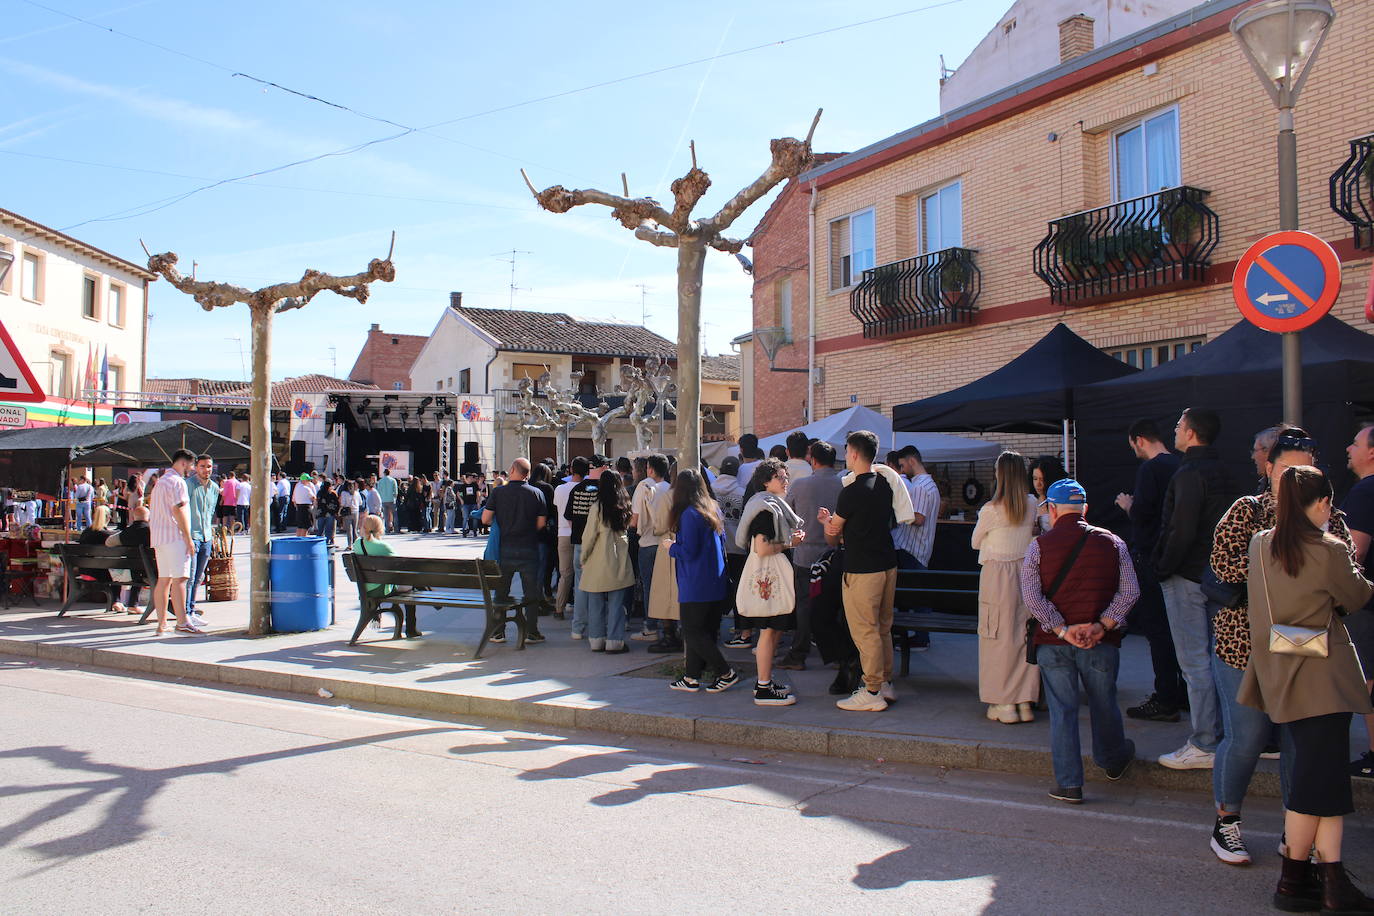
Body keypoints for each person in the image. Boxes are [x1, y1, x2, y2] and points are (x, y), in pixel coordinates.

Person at [1205, 428, 1350, 865]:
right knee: (1246, 738)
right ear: (1269, 468)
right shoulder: (1247, 513)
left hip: (1306, 647)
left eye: (1305, 471)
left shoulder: (1331, 518)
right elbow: (1225, 569)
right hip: (1244, 645)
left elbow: (1347, 580)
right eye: (1287, 469)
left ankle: (1296, 831)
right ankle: (1226, 822)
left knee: (1297, 742)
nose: (1295, 479)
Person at [1241, 465, 1374, 913]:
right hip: (1325, 677)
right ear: (1319, 505)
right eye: (1328, 504)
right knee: (1320, 784)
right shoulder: (1330, 548)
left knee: (1318, 780)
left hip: (1282, 670)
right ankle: (1301, 880)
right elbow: (1356, 597)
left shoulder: (1262, 544)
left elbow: (1263, 616)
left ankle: (1312, 878)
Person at [1021, 478, 1138, 804]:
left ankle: (1069, 783)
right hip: (1100, 643)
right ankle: (1112, 760)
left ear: (1053, 510)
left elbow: (1031, 597)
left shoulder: (1039, 546)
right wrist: (1101, 626)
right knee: (1104, 703)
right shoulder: (1113, 542)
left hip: (1054, 644)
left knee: (1062, 710)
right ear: (1085, 509)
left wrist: (1061, 629)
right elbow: (1130, 591)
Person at [1153, 407, 1235, 770]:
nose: (1174, 429)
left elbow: (1180, 530)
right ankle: (1223, 735)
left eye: (1178, 424)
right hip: (1218, 578)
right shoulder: (1224, 471)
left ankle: (1205, 741)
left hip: (1187, 577)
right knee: (1219, 659)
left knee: (1194, 662)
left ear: (1190, 433)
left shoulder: (1189, 473)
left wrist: (1161, 567)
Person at [822, 430, 912, 712]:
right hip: (887, 564)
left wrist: (826, 522)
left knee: (865, 631)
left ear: (855, 453)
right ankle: (884, 683)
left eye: (847, 450)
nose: (845, 456)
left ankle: (871, 688)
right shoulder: (884, 484)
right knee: (883, 627)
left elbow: (832, 536)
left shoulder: (851, 492)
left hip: (862, 569)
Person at [1115, 419, 1186, 723]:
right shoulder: (1182, 465)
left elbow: (1143, 514)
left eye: (1133, 446)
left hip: (1151, 558)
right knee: (1181, 632)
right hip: (1179, 558)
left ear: (1139, 440)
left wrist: (1128, 505)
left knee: (1157, 631)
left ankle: (1166, 697)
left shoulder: (1150, 470)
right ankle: (1182, 693)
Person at [971, 451, 1041, 723]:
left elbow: (975, 542)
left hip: (996, 575)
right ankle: (1024, 700)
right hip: (1025, 573)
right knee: (1023, 636)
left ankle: (1003, 702)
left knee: (995, 636)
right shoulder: (1032, 504)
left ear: (1000, 474)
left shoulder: (991, 510)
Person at [737, 458, 805, 706]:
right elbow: (762, 547)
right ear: (766, 481)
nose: (785, 481)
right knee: (768, 630)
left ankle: (766, 681)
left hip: (771, 575)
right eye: (780, 477)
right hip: (768, 576)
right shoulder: (765, 508)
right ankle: (763, 686)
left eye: (786, 476)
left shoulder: (771, 505)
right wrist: (791, 543)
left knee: (773, 629)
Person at [667, 469, 737, 692]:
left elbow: (688, 551)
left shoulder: (689, 514)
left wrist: (671, 547)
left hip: (695, 583)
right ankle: (691, 677)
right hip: (714, 580)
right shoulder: (711, 508)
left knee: (692, 631)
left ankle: (725, 672)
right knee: (704, 631)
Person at [779, 440, 844, 670]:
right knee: (835, 606)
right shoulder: (843, 485)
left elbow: (787, 516)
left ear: (812, 459)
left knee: (804, 607)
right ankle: (838, 654)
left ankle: (798, 655)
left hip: (805, 555)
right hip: (834, 556)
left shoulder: (799, 485)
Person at [482, 458, 549, 644]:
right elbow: (541, 523)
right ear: (528, 473)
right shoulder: (537, 493)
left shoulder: (499, 492)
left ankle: (498, 631)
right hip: (529, 547)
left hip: (506, 548)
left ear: (512, 470)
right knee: (531, 592)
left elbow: (485, 519)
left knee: (502, 592)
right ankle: (532, 632)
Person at [1342, 425, 1374, 780]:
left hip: (1365, 602)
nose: (1349, 447)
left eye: (1355, 442)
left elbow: (1355, 550)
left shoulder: (1365, 491)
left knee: (1367, 679)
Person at [577, 469, 635, 653]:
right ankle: (615, 641)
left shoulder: (598, 507)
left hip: (599, 558)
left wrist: (583, 557)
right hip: (620, 558)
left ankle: (596, 639)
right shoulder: (625, 504)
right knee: (617, 604)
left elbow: (589, 536)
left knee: (595, 601)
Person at [149, 449, 202, 635]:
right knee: (180, 579)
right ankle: (182, 621)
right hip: (174, 536)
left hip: (159, 537)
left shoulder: (160, 482)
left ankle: (162, 623)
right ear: (184, 463)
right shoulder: (177, 482)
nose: (193, 469)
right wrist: (188, 538)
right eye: (192, 465)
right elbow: (179, 510)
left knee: (164, 580)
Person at [565, 455, 609, 640]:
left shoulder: (577, 489)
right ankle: (598, 628)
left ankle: (577, 627)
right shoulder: (604, 490)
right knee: (599, 587)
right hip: (598, 544)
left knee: (580, 586)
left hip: (579, 544)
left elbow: (568, 517)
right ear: (604, 467)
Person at [630, 454, 671, 642]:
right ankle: (669, 626)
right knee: (666, 586)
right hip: (667, 543)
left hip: (647, 542)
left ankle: (651, 626)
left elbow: (635, 519)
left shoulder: (644, 486)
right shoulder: (670, 489)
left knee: (649, 586)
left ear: (651, 469)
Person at [716, 456, 754, 652]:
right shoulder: (742, 494)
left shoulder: (711, 493)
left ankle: (714, 628)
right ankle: (742, 629)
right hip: (738, 548)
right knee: (740, 590)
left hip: (719, 548)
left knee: (717, 589)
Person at [185, 454, 220, 627]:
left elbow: (211, 512)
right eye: (203, 466)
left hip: (206, 535)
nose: (207, 469)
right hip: (192, 535)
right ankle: (185, 613)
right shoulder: (188, 485)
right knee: (190, 577)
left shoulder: (214, 487)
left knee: (198, 577)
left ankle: (191, 610)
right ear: (196, 467)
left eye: (209, 466)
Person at [105, 505, 151, 616]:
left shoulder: (126, 532)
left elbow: (108, 542)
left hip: (131, 572)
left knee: (136, 569)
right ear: (148, 517)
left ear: (134, 517)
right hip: (149, 572)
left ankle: (131, 605)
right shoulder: (151, 531)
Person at [552, 460, 584, 618]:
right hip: (582, 535)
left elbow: (557, 507)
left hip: (563, 532)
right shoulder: (587, 489)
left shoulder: (560, 489)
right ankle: (581, 610)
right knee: (582, 573)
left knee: (565, 574)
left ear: (571, 470)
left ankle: (559, 608)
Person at [528, 463, 557, 609]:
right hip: (543, 533)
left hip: (526, 534)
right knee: (542, 567)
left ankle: (532, 599)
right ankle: (539, 599)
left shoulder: (527, 487)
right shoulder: (546, 488)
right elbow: (552, 510)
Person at [1029, 456, 1066, 535]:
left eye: (1042, 479)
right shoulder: (1031, 499)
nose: (1038, 484)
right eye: (1035, 479)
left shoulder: (1062, 501)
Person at [314, 480, 341, 545]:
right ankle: (328, 542)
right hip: (330, 514)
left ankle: (318, 543)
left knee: (320, 529)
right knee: (329, 529)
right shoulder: (333, 493)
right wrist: (337, 512)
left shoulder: (319, 493)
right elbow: (337, 504)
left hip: (321, 513)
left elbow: (316, 502)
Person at [338, 479, 360, 547]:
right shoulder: (357, 492)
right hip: (356, 511)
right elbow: (360, 502)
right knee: (355, 530)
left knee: (349, 530)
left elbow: (343, 503)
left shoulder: (344, 493)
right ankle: (357, 545)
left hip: (347, 512)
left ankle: (350, 545)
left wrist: (339, 511)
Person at [376, 469, 399, 533]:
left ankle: (387, 529)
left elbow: (378, 491)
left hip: (383, 500)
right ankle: (396, 528)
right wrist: (395, 499)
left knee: (386, 516)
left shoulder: (380, 481)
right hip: (391, 500)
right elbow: (396, 492)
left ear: (384, 473)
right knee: (394, 515)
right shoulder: (393, 480)